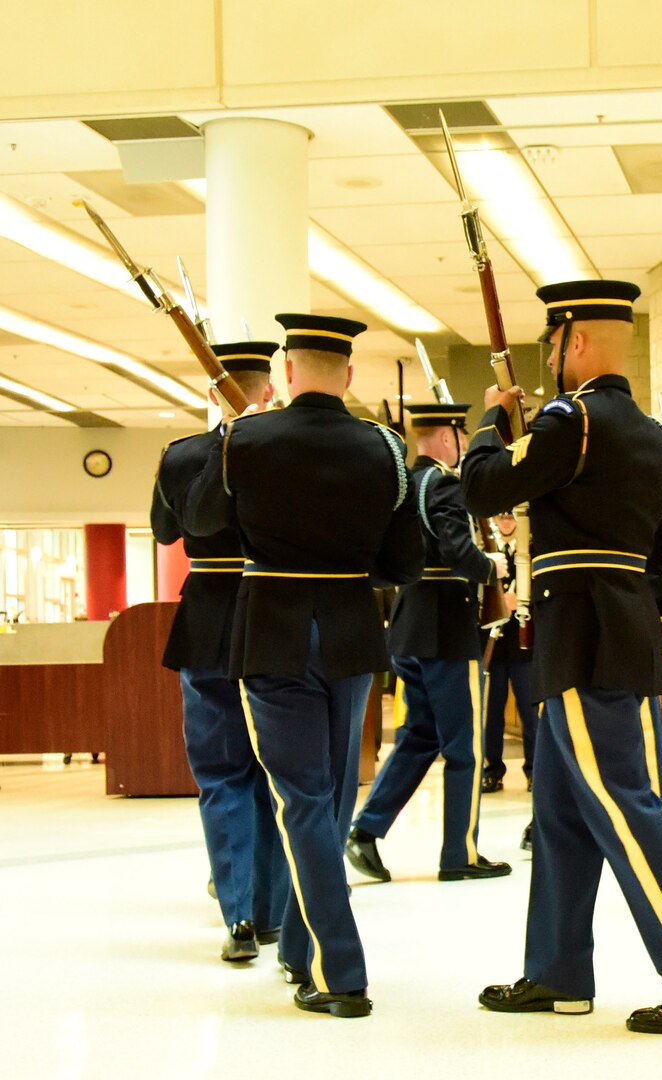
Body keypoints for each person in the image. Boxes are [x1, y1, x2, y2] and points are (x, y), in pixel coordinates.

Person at [463, 279, 662, 1035]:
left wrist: (493, 425)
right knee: (562, 813)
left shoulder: (572, 419)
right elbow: (661, 547)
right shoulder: (654, 434)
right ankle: (557, 972)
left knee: (626, 807)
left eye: (552, 345)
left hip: (579, 634)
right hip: (615, 624)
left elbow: (483, 485)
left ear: (576, 342)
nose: (549, 360)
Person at [183, 313, 424, 1018]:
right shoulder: (383, 445)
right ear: (348, 376)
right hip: (349, 630)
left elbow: (199, 522)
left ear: (287, 372)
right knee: (332, 794)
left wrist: (230, 440)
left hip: (274, 630)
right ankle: (300, 949)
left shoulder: (245, 437)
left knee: (304, 800)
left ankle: (338, 970)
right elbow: (404, 560)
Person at [151, 340, 289, 962]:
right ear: (270, 390)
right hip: (272, 618)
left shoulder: (181, 456)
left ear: (215, 392)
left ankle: (237, 913)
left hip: (208, 618)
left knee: (221, 774)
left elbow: (163, 531)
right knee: (280, 772)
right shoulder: (288, 451)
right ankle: (274, 913)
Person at [345, 402, 511, 884]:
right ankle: (460, 853)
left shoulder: (405, 483)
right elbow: (458, 552)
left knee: (420, 736)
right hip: (446, 629)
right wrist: (490, 568)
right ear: (448, 438)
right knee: (466, 747)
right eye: (461, 438)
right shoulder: (444, 483)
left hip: (409, 625)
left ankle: (366, 830)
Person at [480, 510, 543, 801]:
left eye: (510, 516)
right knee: (492, 713)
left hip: (522, 644)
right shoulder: (487, 552)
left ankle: (534, 771)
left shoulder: (529, 553)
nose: (506, 521)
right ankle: (492, 771)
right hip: (493, 644)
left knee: (530, 712)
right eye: (501, 517)